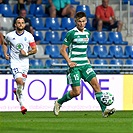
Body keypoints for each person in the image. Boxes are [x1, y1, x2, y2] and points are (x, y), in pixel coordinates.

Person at [53, 11, 116, 118]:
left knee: (96, 86)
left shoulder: (87, 33)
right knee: (76, 92)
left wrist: (86, 59)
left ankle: (104, 111)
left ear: (86, 22)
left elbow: (83, 49)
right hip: (75, 67)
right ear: (75, 22)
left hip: (85, 65)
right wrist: (69, 62)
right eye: (79, 22)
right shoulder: (71, 33)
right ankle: (59, 102)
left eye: (83, 21)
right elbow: (63, 50)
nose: (81, 24)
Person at [2, 16, 37, 114]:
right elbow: (4, 43)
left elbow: (35, 49)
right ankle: (22, 106)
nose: (21, 24)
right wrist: (5, 54)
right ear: (15, 25)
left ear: (24, 24)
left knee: (21, 86)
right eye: (18, 23)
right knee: (20, 82)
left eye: (22, 22)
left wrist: (26, 53)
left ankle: (17, 93)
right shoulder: (10, 35)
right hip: (15, 63)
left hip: (25, 64)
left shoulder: (29, 36)